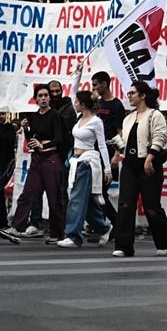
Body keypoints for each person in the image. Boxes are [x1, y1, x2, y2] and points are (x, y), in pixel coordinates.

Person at [108, 80, 167, 257]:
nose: (129, 96)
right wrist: (116, 150)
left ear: (143, 95)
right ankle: (123, 246)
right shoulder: (128, 118)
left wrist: (150, 157)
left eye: (132, 93)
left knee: (151, 206)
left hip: (148, 165)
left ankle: (166, 240)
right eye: (129, 93)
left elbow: (160, 137)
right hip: (129, 164)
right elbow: (125, 141)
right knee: (125, 204)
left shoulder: (155, 115)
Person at [0, 84, 66, 244]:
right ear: (35, 99)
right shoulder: (34, 117)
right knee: (27, 193)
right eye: (40, 96)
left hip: (51, 159)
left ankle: (58, 233)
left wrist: (44, 145)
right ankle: (16, 227)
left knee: (54, 198)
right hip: (37, 160)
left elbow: (60, 139)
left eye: (45, 95)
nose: (43, 98)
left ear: (49, 98)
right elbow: (32, 139)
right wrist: (26, 130)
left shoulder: (55, 115)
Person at [57, 68, 112, 248]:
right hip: (75, 160)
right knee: (84, 201)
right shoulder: (79, 116)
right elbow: (74, 92)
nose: (75, 103)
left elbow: (102, 145)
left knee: (76, 199)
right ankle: (104, 227)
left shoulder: (96, 122)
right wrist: (77, 74)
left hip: (87, 162)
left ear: (84, 104)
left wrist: (107, 169)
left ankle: (73, 236)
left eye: (78, 102)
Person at [91, 71, 126, 227]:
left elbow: (120, 132)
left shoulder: (117, 105)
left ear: (104, 84)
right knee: (96, 191)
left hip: (109, 151)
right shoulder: (97, 104)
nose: (94, 88)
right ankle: (105, 224)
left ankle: (115, 224)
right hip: (95, 152)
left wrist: (117, 155)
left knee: (101, 191)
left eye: (95, 84)